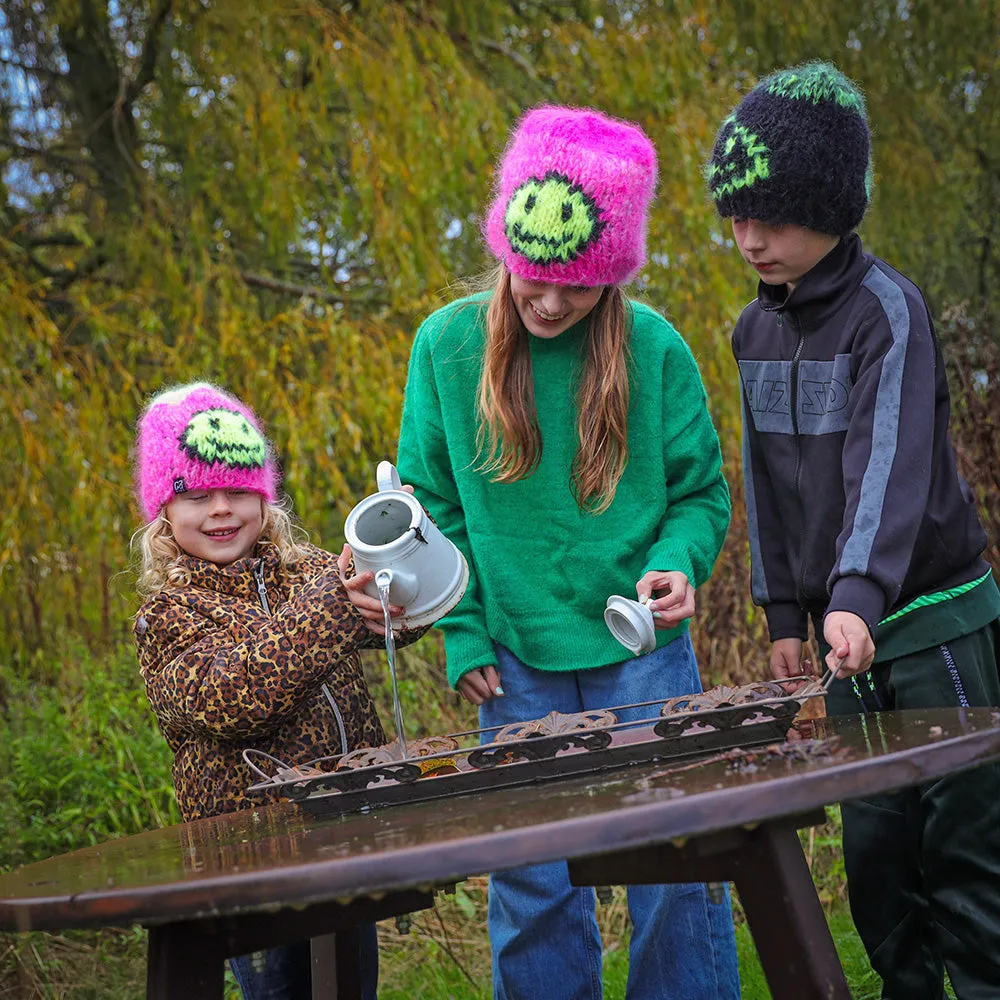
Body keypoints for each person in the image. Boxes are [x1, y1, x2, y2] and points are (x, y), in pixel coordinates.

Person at [397, 106, 740, 1000]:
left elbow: (702, 493)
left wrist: (679, 561)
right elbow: (429, 508)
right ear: (505, 248)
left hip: (642, 652)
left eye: (578, 286)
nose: (550, 301)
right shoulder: (446, 347)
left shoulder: (656, 348)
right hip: (514, 657)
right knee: (533, 881)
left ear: (615, 273)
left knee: (670, 865)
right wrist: (462, 631)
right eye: (532, 277)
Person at [709, 61, 1000, 998]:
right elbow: (767, 484)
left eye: (773, 218)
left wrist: (855, 595)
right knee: (877, 860)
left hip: (931, 622)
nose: (749, 240)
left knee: (964, 851)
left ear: (833, 208)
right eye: (735, 219)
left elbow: (887, 468)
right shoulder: (753, 332)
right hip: (839, 641)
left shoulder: (890, 312)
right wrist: (785, 613)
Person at [131, 381, 421, 1000]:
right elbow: (231, 699)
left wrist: (400, 556)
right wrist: (333, 608)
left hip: (343, 833)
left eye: (239, 490)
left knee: (347, 984)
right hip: (249, 857)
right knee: (283, 991)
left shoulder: (308, 570)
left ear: (264, 497)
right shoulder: (169, 615)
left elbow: (398, 618)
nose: (221, 510)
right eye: (197, 495)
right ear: (164, 509)